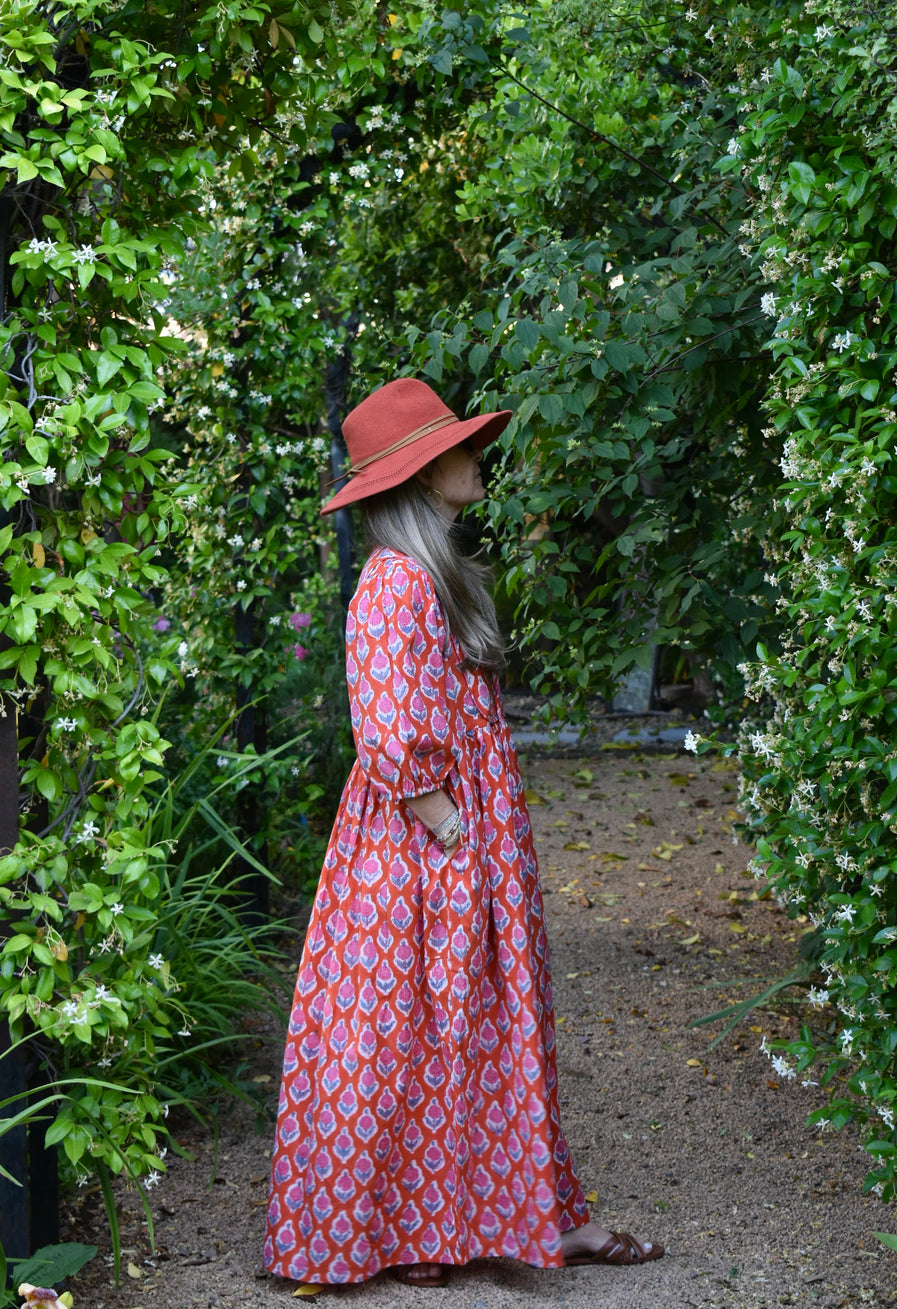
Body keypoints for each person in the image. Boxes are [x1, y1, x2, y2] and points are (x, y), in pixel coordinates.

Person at [263, 377, 665, 1287]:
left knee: (448, 1027)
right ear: (420, 470)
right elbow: (390, 730)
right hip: (422, 846)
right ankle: (420, 1232)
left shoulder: (424, 571)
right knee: (417, 1023)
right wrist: (450, 834)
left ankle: (445, 1230)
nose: (475, 455)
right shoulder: (395, 582)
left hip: (444, 837)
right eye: (459, 444)